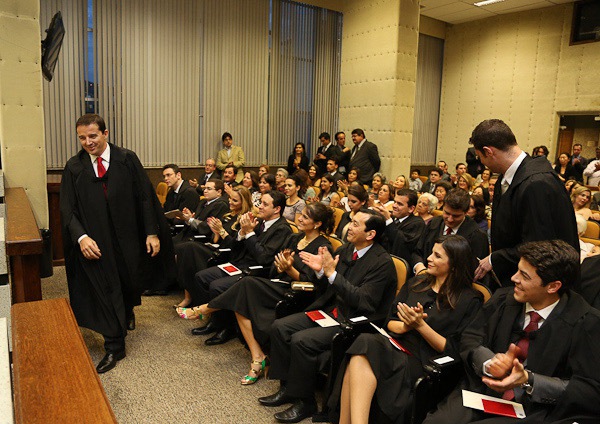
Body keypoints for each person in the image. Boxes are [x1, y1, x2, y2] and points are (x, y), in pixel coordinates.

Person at [424, 240, 600, 424]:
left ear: (552, 286)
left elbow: (588, 389)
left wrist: (529, 380)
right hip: (483, 392)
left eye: (524, 276)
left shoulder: (586, 322)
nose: (514, 278)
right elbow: (470, 338)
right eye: (517, 270)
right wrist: (489, 362)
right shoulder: (503, 298)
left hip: (536, 408)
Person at [259, 210, 397, 423]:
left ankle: (305, 402)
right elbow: (326, 287)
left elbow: (364, 301)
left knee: (301, 340)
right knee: (280, 327)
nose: (349, 227)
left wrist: (331, 274)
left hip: (352, 321)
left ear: (370, 234)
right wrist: (321, 272)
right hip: (331, 310)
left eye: (355, 224)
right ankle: (287, 388)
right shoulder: (346, 249)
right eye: (350, 221)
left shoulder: (382, 263)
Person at [332, 235, 483, 424]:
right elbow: (390, 322)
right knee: (363, 345)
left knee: (363, 350)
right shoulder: (418, 282)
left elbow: (454, 349)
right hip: (397, 344)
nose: (428, 258)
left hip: (426, 360)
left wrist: (421, 326)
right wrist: (407, 325)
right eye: (431, 253)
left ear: (454, 265)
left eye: (437, 256)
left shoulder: (469, 300)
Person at [60, 113, 169, 373]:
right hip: (96, 241)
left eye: (93, 136)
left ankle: (128, 310)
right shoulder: (74, 167)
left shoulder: (126, 159)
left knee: (128, 281)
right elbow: (67, 208)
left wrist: (151, 233)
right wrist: (81, 237)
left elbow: (145, 197)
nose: (88, 142)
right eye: (82, 138)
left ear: (105, 134)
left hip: (128, 237)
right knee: (105, 289)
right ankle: (114, 345)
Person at [190, 203, 334, 384]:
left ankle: (206, 308)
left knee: (246, 286)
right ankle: (257, 356)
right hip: (278, 283)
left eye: (305, 217)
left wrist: (289, 269)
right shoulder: (294, 238)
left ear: (317, 224)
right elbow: (274, 266)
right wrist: (281, 266)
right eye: (301, 215)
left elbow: (313, 283)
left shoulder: (323, 247)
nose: (300, 219)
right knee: (242, 296)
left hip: (297, 293)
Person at [470, 119, 579, 285]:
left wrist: (495, 259)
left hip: (542, 284)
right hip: (514, 277)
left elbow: (540, 247)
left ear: (488, 151)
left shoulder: (537, 183)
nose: (482, 163)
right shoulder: (505, 179)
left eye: (480, 157)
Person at [179, 191, 292, 345]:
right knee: (201, 277)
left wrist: (250, 233)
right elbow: (235, 248)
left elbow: (264, 258)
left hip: (255, 271)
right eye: (260, 202)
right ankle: (214, 320)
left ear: (277, 209)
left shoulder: (282, 229)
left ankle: (226, 328)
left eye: (265, 204)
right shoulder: (259, 221)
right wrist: (242, 232)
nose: (260, 206)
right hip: (239, 263)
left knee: (217, 286)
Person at [173, 186, 252, 309]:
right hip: (216, 247)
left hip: (227, 254)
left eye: (235, 200)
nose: (230, 202)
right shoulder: (228, 215)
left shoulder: (245, 219)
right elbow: (215, 240)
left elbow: (235, 247)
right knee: (185, 249)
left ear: (244, 202)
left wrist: (221, 231)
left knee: (189, 247)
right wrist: (216, 232)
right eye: (230, 198)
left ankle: (193, 299)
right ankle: (189, 296)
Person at [412, 189, 489, 276]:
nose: (450, 219)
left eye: (456, 216)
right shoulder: (434, 223)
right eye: (447, 213)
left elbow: (474, 271)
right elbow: (417, 252)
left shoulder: (477, 236)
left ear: (466, 212)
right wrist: (419, 267)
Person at [375, 188, 426, 263]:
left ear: (411, 209)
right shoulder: (392, 218)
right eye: (394, 202)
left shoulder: (417, 223)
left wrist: (388, 221)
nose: (394, 206)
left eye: (399, 204)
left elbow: (402, 245)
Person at [173, 180, 229, 245]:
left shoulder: (221, 205)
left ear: (219, 192)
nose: (205, 191)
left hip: (199, 239)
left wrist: (190, 219)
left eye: (209, 189)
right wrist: (190, 216)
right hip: (188, 234)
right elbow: (196, 219)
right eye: (204, 188)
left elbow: (207, 227)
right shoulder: (203, 202)